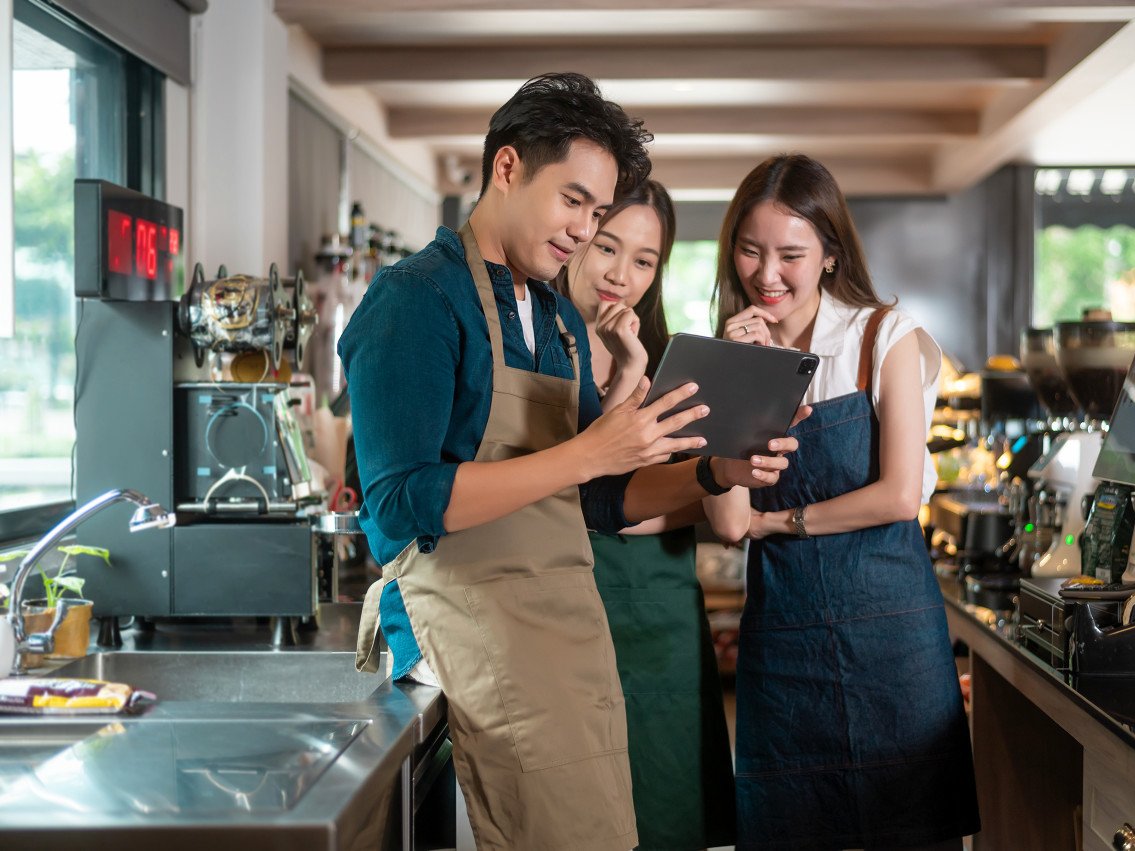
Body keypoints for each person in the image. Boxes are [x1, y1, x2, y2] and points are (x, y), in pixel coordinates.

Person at [337, 74, 799, 851]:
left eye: (598, 210)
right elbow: (400, 503)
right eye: (575, 201)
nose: (585, 231)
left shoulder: (550, 314)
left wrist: (717, 471)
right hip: (476, 636)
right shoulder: (417, 299)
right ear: (509, 168)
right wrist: (589, 450)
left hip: (567, 640)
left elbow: (598, 498)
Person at [714, 154, 980, 850]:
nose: (767, 274)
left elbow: (897, 495)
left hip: (891, 640)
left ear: (830, 255)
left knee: (911, 831)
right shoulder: (735, 349)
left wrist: (786, 521)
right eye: (750, 250)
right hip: (784, 641)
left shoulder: (882, 335)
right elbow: (730, 521)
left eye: (791, 254)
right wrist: (744, 380)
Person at [554, 178, 740, 850]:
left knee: (669, 814)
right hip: (569, 614)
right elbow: (574, 491)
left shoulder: (671, 363)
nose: (620, 274)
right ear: (577, 235)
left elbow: (714, 504)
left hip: (662, 613)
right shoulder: (536, 347)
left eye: (643, 260)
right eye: (608, 245)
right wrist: (627, 375)